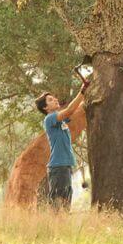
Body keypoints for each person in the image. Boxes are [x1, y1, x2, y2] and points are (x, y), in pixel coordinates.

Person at [35, 83, 87, 212]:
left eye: (54, 98)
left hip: (65, 166)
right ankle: (53, 229)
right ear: (46, 107)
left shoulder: (61, 121)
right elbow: (69, 110)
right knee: (57, 206)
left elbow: (74, 111)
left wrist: (87, 94)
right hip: (58, 167)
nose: (55, 100)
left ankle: (60, 229)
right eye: (50, 100)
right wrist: (82, 91)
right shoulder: (50, 119)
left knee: (65, 204)